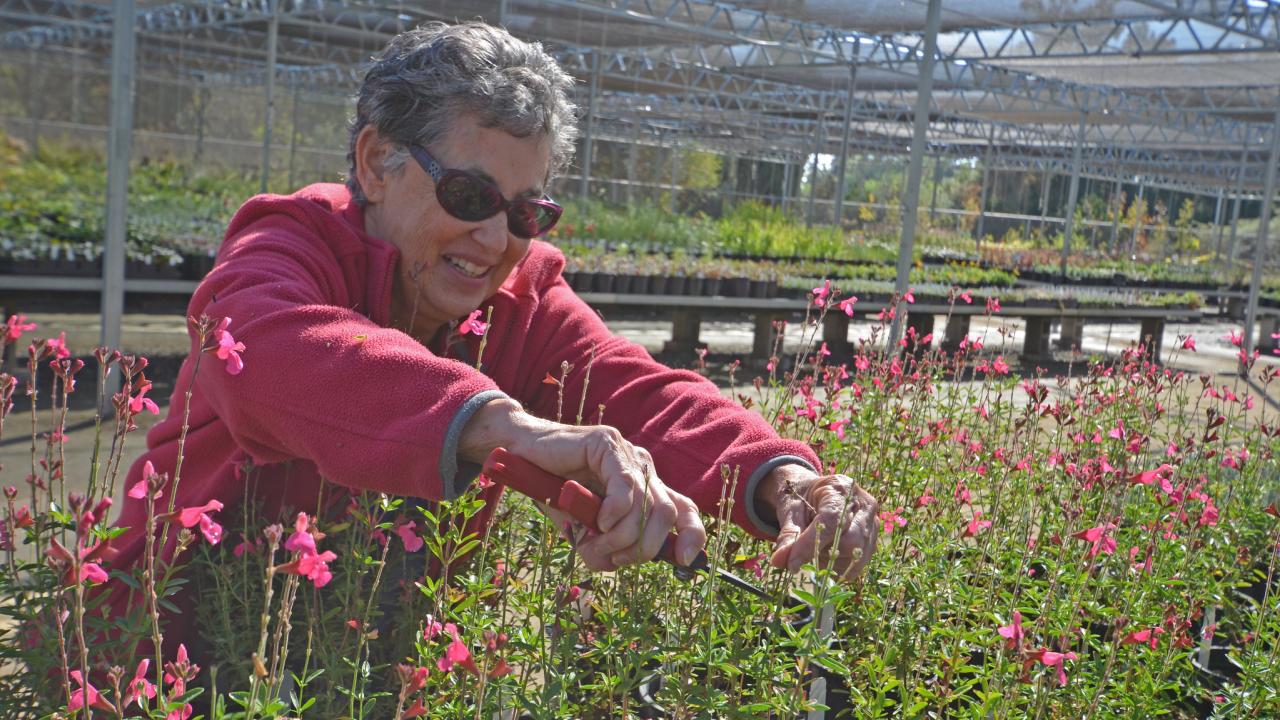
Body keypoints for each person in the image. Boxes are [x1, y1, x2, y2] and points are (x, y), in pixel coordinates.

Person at [110, 21, 878, 643]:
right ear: (377, 162)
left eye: (524, 212)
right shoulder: (287, 246)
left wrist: (782, 479)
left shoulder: (520, 296)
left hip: (375, 662)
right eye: (470, 193)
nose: (495, 237)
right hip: (174, 653)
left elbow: (634, 388)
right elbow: (281, 354)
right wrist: (507, 424)